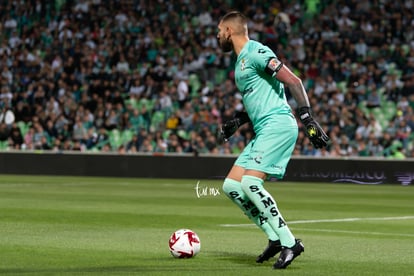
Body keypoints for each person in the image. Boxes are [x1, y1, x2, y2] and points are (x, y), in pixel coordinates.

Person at [217, 11, 329, 269]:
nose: (217, 36)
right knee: (232, 186)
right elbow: (264, 97)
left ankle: (291, 242)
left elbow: (293, 81)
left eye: (219, 31)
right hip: (263, 127)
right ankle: (274, 238)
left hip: (278, 125)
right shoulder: (240, 61)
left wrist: (308, 119)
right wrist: (239, 120)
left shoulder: (256, 52)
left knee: (251, 182)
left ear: (229, 31)